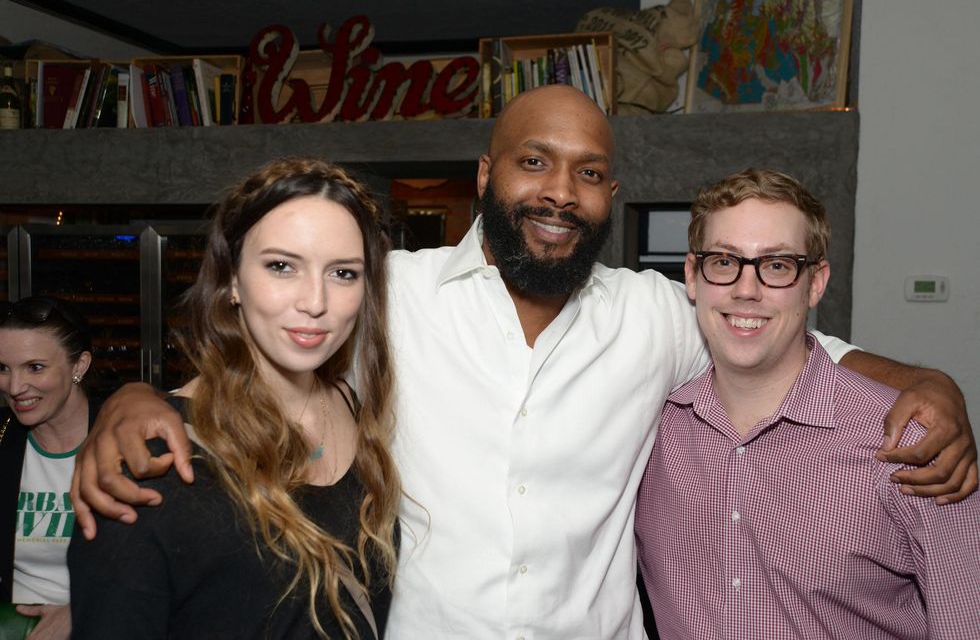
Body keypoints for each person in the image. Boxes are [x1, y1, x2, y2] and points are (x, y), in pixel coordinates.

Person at [72, 86, 976, 639]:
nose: (559, 191)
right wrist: (132, 396)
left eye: (588, 173)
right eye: (534, 162)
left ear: (611, 196)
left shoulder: (653, 313)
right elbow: (266, 348)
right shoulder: (391, 292)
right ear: (484, 174)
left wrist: (926, 382)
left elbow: (779, 328)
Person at [635, 168, 980, 639]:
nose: (746, 289)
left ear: (815, 283)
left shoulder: (913, 444)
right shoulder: (649, 433)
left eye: (777, 266)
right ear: (693, 276)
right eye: (723, 261)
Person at [67, 158, 400, 639]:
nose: (315, 302)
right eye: (281, 266)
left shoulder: (352, 406)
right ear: (231, 282)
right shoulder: (146, 468)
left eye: (343, 273)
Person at [0, 296, 95, 640]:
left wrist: (83, 608)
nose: (15, 387)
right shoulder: (4, 441)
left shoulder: (123, 439)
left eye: (35, 367)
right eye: (3, 368)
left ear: (78, 366)